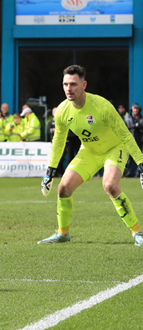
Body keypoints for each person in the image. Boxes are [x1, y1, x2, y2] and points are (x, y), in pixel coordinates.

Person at [40, 65, 143, 245]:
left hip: (114, 148)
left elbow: (125, 135)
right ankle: (63, 234)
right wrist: (50, 171)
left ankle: (137, 233)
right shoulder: (63, 111)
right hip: (89, 151)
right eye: (65, 84)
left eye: (73, 84)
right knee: (63, 188)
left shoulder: (102, 105)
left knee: (110, 185)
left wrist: (141, 165)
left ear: (84, 85)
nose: (68, 89)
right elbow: (58, 141)